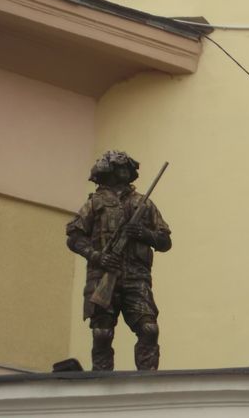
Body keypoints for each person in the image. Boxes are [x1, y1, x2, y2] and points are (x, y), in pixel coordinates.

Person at [66, 151, 171, 371]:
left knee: (149, 329)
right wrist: (98, 257)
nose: (124, 171)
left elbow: (164, 241)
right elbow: (74, 237)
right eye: (118, 167)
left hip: (136, 276)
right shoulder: (95, 203)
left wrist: (142, 233)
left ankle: (148, 382)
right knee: (102, 333)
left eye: (126, 167)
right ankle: (100, 382)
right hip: (102, 274)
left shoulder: (143, 203)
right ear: (108, 171)